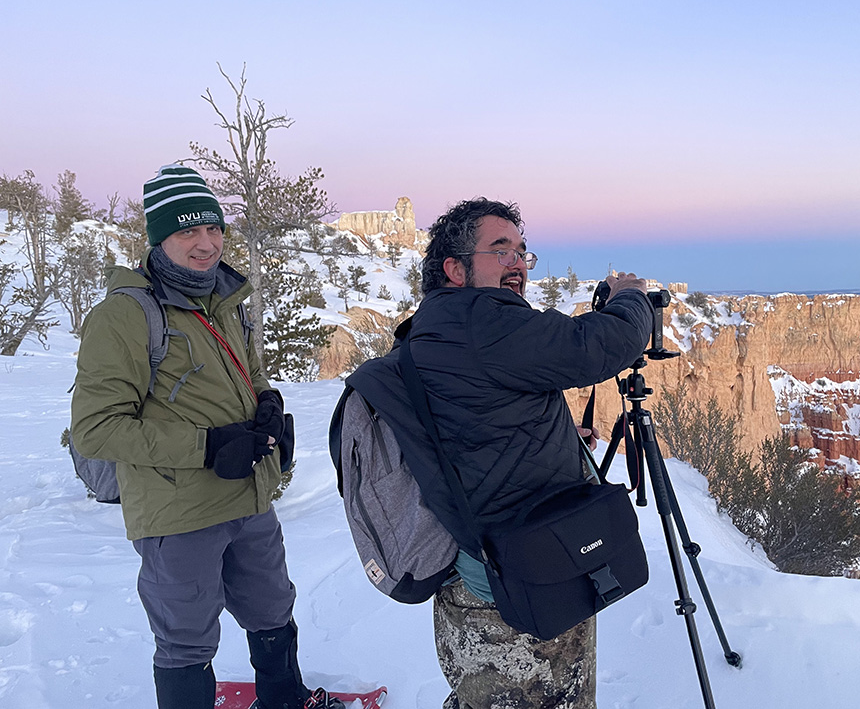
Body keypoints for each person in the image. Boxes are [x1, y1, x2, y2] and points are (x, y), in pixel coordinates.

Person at [346, 198, 653, 708]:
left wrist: (555, 435)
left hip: (477, 580)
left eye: (522, 251)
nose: (517, 262)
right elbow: (598, 345)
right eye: (500, 249)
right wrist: (630, 297)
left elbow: (473, 421)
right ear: (454, 268)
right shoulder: (482, 320)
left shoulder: (433, 326)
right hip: (519, 586)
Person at [71, 164, 342, 709]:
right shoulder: (127, 315)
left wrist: (268, 403)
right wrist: (207, 447)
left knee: (272, 607)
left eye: (213, 228)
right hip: (178, 511)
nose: (205, 243)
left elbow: (248, 373)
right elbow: (95, 428)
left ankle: (285, 700)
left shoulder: (221, 297)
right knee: (186, 637)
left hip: (248, 494)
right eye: (187, 232)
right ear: (158, 239)